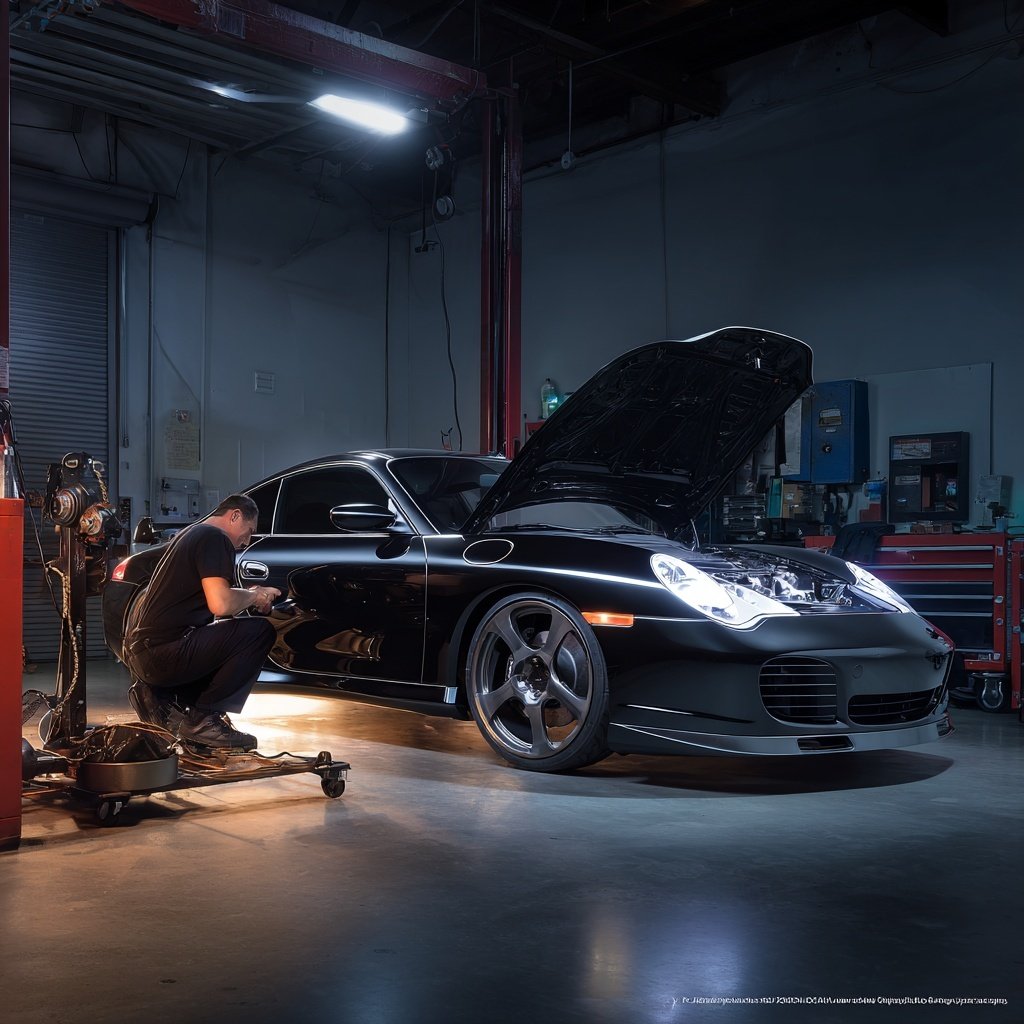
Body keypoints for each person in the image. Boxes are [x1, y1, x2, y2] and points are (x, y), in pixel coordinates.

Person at [124, 494, 280, 750]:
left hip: (146, 655)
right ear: (235, 515)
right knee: (259, 633)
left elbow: (222, 616)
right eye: (248, 531)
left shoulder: (192, 534)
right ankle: (203, 720)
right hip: (164, 654)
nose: (246, 541)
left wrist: (249, 596)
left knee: (227, 634)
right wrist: (256, 596)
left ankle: (174, 704)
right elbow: (220, 604)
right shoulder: (215, 538)